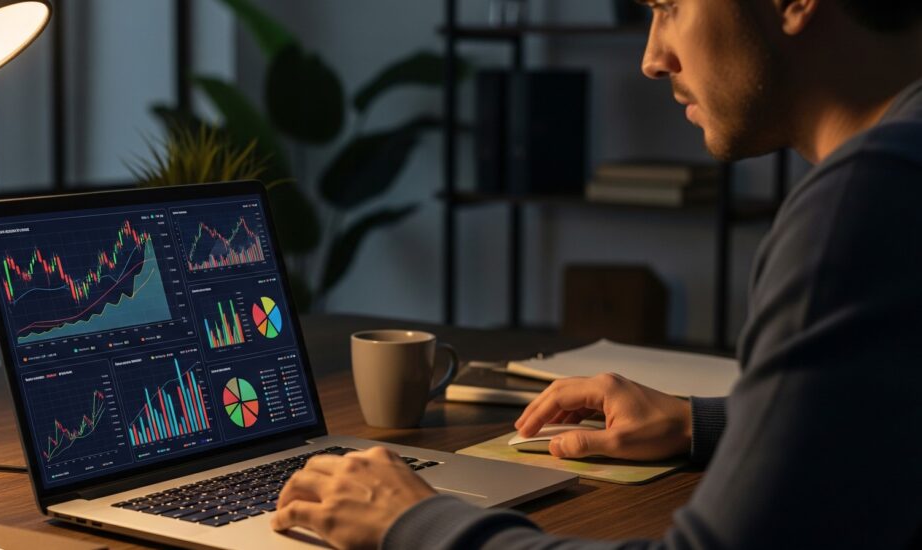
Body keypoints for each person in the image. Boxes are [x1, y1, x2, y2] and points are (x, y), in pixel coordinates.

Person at [270, 0, 922, 548]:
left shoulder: (864, 199)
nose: (651, 57)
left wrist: (415, 522)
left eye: (669, 6)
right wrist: (712, 424)